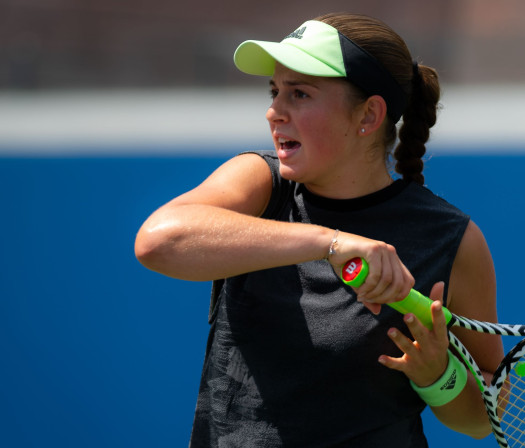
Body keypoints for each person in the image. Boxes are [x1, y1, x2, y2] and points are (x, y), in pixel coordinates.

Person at [135, 12, 503, 447]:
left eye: (300, 94)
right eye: (275, 92)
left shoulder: (451, 237)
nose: (274, 111)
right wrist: (327, 243)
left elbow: (483, 416)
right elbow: (158, 241)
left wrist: (438, 376)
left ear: (368, 116)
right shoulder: (259, 183)